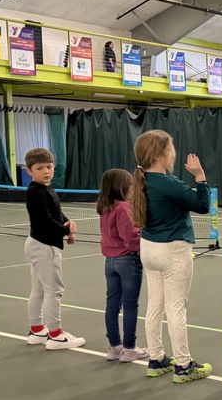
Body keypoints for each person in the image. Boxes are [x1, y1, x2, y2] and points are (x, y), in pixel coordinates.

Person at [130, 130, 212, 384]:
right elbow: (202, 205)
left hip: (148, 249)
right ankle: (184, 366)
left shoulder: (142, 181)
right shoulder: (168, 183)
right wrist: (200, 177)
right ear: (160, 154)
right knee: (176, 308)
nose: (173, 153)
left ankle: (156, 359)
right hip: (172, 252)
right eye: (170, 148)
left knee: (155, 305)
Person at [23, 147, 85, 351]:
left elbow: (56, 213)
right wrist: (65, 231)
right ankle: (56, 336)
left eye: (49, 167)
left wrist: (68, 224)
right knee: (54, 291)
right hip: (44, 246)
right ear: (29, 171)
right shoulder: (36, 193)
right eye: (39, 168)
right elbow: (45, 221)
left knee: (39, 290)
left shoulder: (46, 189)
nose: (46, 171)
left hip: (38, 244)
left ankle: (37, 331)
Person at [96, 168, 146, 363]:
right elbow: (131, 237)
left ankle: (114, 347)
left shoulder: (104, 207)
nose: (133, 188)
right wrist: (147, 246)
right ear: (122, 187)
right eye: (130, 185)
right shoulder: (123, 208)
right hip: (128, 261)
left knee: (112, 305)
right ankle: (130, 348)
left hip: (110, 262)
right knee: (130, 305)